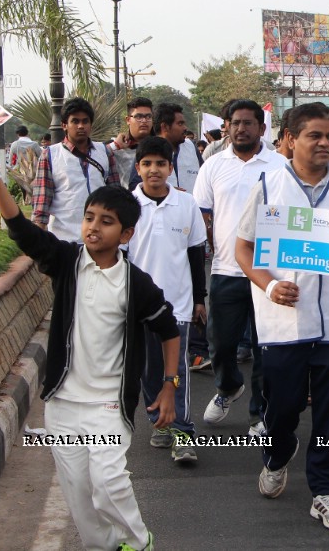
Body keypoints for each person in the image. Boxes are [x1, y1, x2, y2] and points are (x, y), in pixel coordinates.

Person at [0, 141, 179, 551]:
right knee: (79, 490)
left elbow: (169, 331)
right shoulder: (66, 262)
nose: (93, 227)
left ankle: (138, 542)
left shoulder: (137, 284)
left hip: (108, 404)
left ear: (127, 233)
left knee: (109, 482)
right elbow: (22, 230)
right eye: (88, 218)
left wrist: (169, 385)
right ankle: (103, 546)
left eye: (107, 222)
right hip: (63, 402)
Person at [235, 103, 329, 532]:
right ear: (291, 139)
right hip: (284, 324)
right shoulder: (267, 183)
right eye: (315, 135)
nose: (325, 143)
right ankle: (278, 456)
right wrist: (270, 285)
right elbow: (242, 249)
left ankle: (328, 492)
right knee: (284, 406)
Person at [193, 99, 287, 435]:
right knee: (220, 342)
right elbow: (202, 213)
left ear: (262, 129)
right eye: (235, 123)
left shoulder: (280, 166)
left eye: (248, 123)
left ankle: (259, 413)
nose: (241, 128)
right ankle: (228, 387)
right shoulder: (213, 166)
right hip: (226, 269)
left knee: (265, 347)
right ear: (227, 127)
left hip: (268, 273)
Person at [127, 136, 208, 463]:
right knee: (148, 368)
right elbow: (120, 259)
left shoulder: (186, 204)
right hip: (139, 306)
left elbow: (195, 253)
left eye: (160, 164)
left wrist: (200, 298)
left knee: (176, 369)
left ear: (170, 168)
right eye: (147, 164)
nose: (154, 170)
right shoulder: (127, 206)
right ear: (138, 168)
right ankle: (157, 420)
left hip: (178, 303)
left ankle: (183, 432)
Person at [31, 98, 120, 242]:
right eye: (75, 121)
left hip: (101, 238)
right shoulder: (50, 155)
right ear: (64, 125)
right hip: (64, 238)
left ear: (90, 124)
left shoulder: (104, 152)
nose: (81, 126)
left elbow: (115, 195)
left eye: (85, 121)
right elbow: (42, 200)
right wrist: (39, 238)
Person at [154, 103, 203, 192]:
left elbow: (205, 178)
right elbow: (135, 184)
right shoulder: (148, 150)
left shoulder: (191, 147)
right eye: (180, 124)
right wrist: (163, 191)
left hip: (192, 205)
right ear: (165, 127)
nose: (185, 128)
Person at [108, 97, 155, 189]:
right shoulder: (116, 148)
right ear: (128, 120)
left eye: (148, 116)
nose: (144, 121)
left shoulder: (160, 147)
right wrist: (115, 146)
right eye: (138, 117)